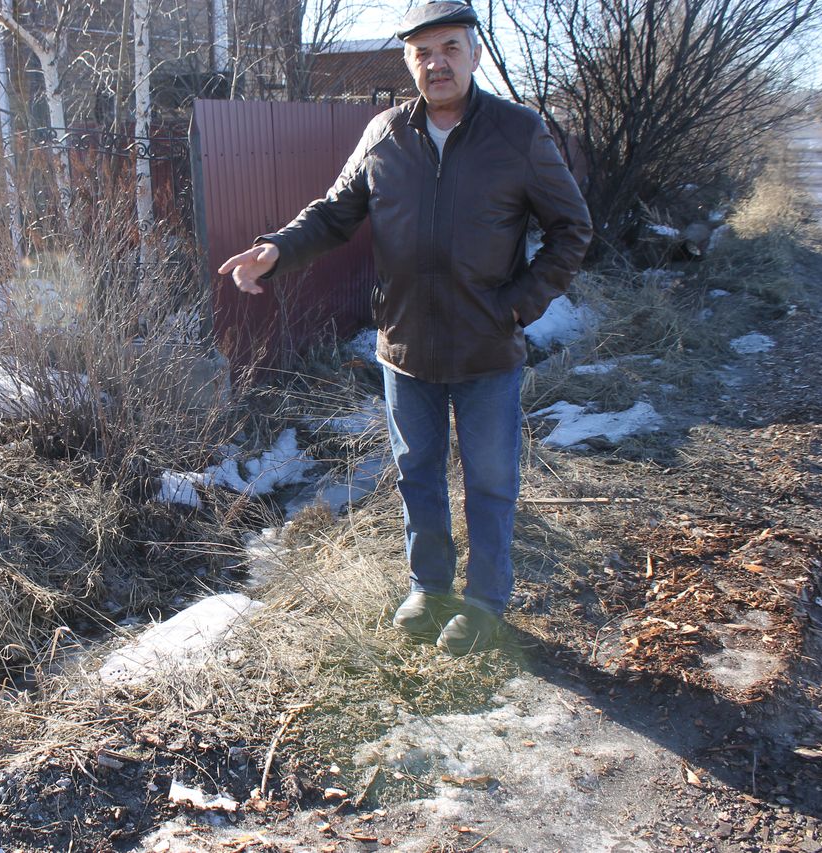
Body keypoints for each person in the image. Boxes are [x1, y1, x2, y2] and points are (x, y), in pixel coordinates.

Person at [218, 0, 592, 655]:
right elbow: (335, 212)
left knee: (490, 480)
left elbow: (571, 229)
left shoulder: (518, 134)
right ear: (408, 62)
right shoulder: (385, 134)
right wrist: (276, 248)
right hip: (406, 347)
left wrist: (518, 304)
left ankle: (484, 604)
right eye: (423, 52)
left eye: (450, 47)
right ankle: (429, 588)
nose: (437, 62)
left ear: (475, 53)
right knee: (416, 474)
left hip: (487, 348)